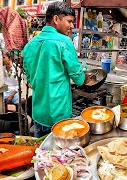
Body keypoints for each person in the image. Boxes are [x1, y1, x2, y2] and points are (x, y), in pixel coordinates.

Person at [23, 1, 89, 137]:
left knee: (41, 154)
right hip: (59, 114)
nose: (71, 26)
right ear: (56, 19)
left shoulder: (30, 45)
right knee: (60, 155)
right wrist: (84, 78)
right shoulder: (64, 42)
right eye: (69, 21)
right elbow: (79, 78)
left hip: (38, 113)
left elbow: (30, 78)